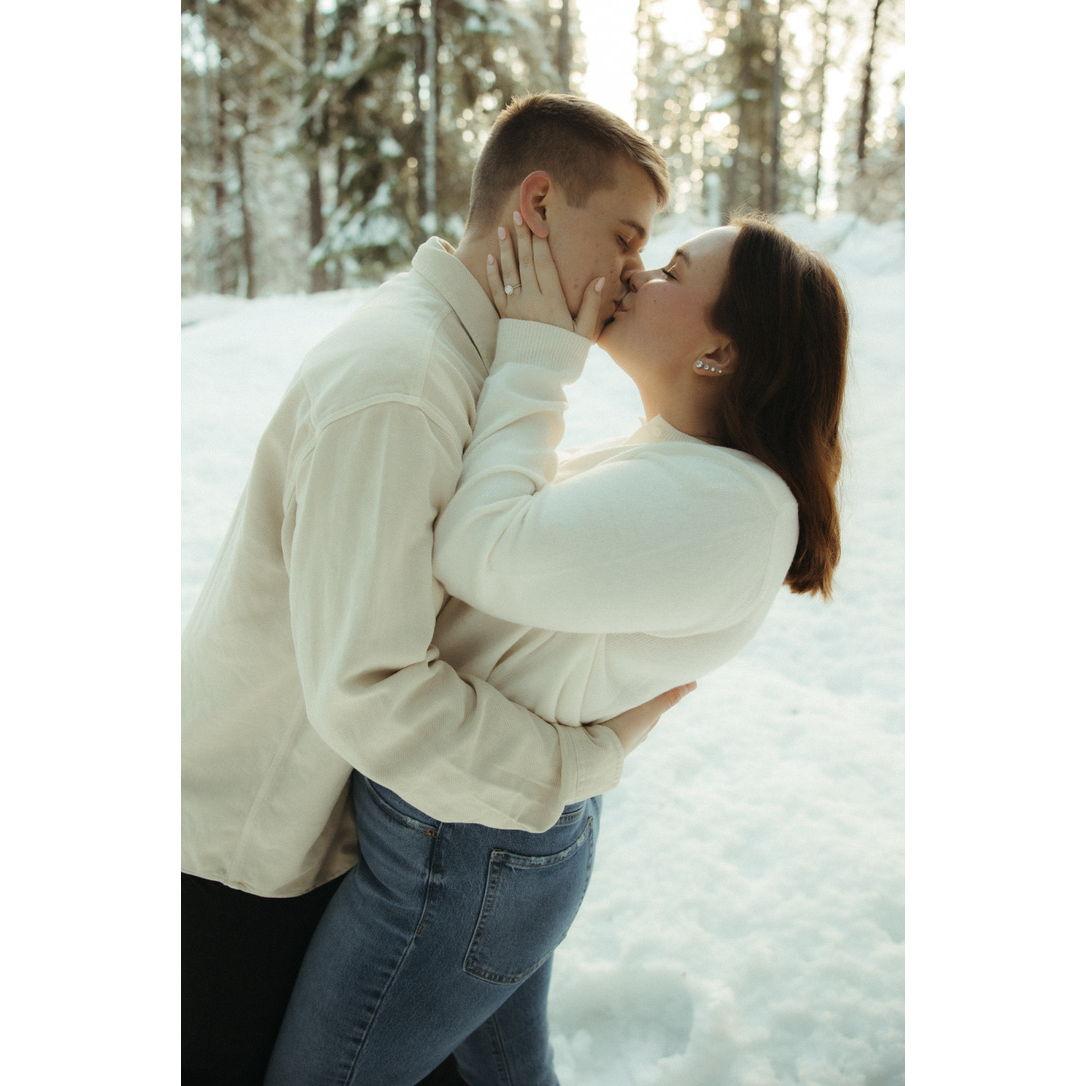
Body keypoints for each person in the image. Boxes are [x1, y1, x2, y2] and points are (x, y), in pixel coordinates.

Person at [261, 216, 849, 1079]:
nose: (637, 274)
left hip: (464, 855)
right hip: (470, 824)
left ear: (720, 352)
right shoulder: (679, 466)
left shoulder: (732, 509)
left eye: (672, 271)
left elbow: (480, 550)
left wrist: (539, 356)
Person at [181, 92, 682, 1085]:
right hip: (244, 862)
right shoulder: (406, 382)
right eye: (625, 239)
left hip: (342, 835)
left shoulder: (469, 357)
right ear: (537, 205)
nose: (634, 274)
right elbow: (373, 691)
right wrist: (575, 765)